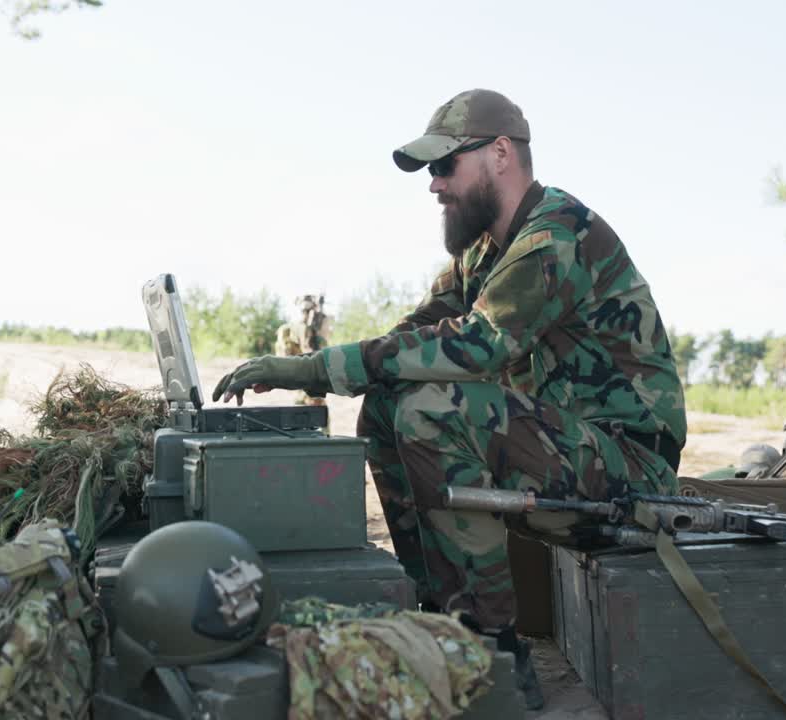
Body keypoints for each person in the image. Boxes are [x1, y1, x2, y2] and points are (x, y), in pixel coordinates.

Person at [212, 89, 686, 710]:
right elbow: (415, 336)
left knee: (431, 407)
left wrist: (315, 368)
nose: (434, 186)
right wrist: (320, 371)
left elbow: (477, 346)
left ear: (498, 154)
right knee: (385, 402)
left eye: (444, 166)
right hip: (564, 458)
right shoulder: (483, 251)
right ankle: (437, 614)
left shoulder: (556, 234)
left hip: (628, 475)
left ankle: (491, 650)